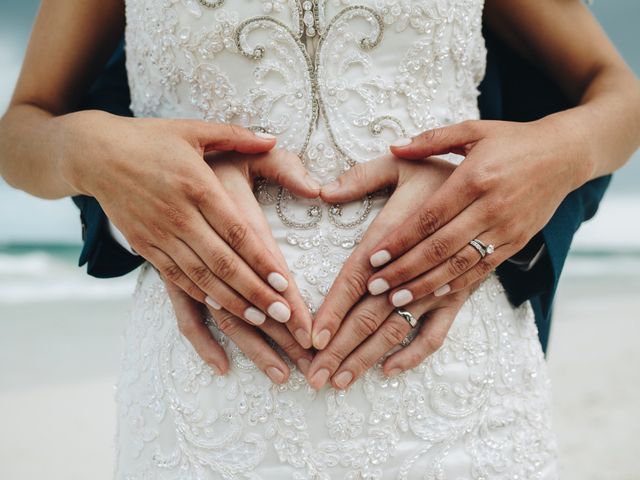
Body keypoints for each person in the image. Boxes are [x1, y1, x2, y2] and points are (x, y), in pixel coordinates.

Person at [1, 0, 638, 478]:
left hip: (458, 389)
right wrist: (87, 149)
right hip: (206, 396)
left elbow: (616, 93)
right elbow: (23, 128)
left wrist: (556, 154)